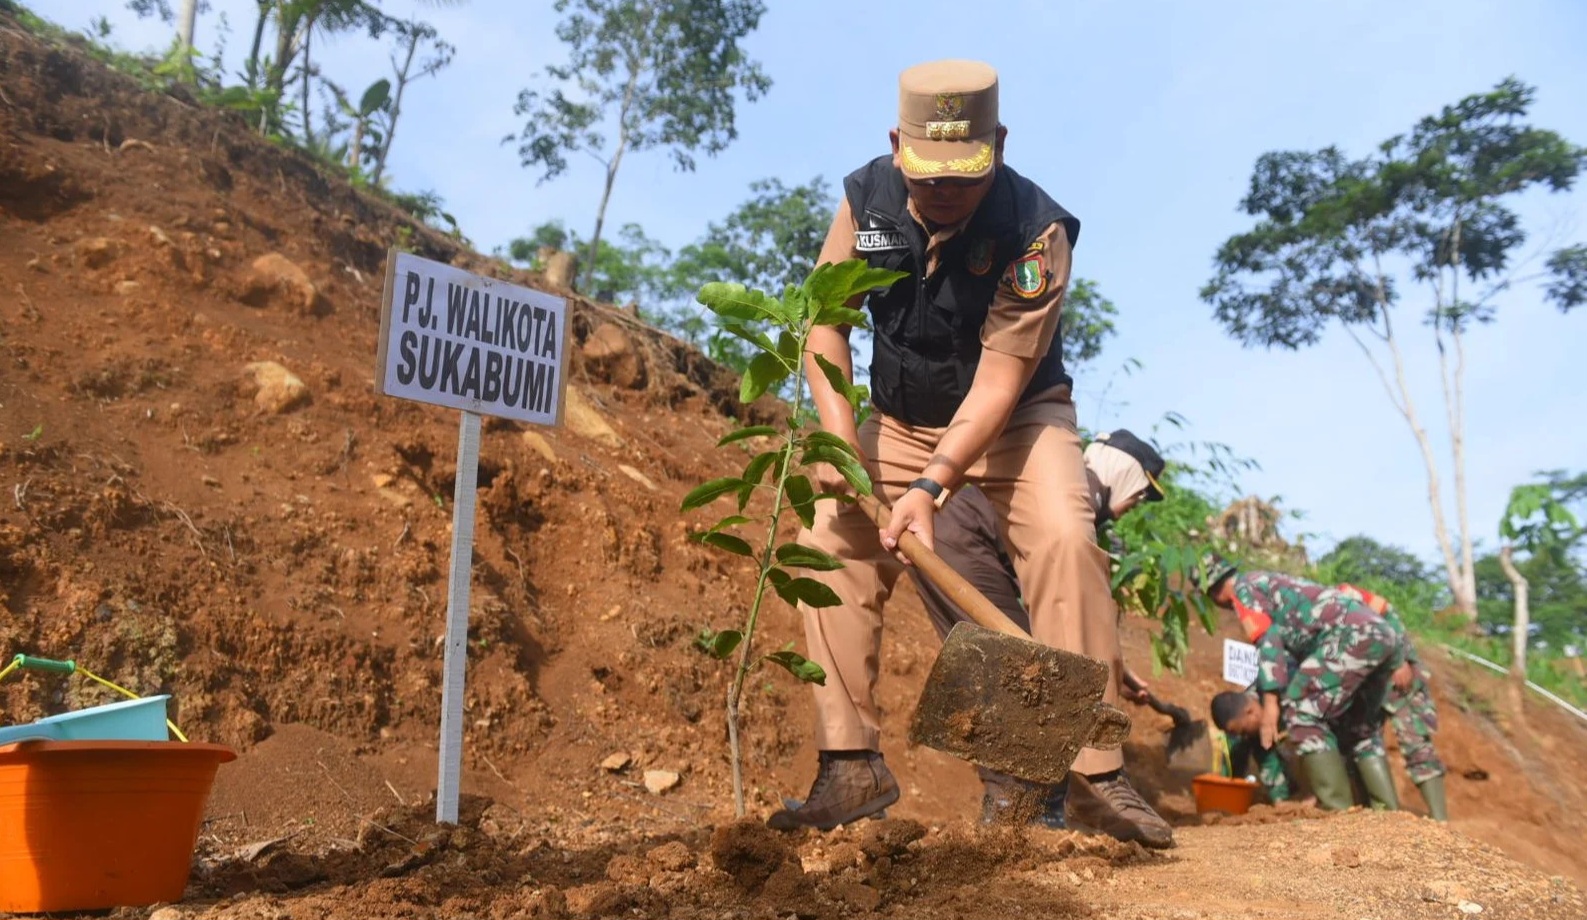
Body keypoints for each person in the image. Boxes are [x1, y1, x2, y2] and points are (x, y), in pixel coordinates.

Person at [767, 59, 1157, 844]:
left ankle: (1096, 774)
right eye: (927, 173)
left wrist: (931, 486)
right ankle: (850, 765)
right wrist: (840, 438)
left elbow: (1000, 381)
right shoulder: (866, 202)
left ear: (999, 146)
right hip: (899, 418)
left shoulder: (1035, 230)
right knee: (827, 541)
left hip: (1018, 422)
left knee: (1064, 540)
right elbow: (824, 324)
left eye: (964, 173)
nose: (943, 189)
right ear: (896, 145)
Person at [907, 429, 1173, 844]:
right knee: (1021, 673)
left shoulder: (1072, 483)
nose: (1130, 509)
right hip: (958, 543)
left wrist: (1113, 669)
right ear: (1124, 476)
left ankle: (1023, 807)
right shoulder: (1081, 491)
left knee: (1008, 670)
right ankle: (1029, 807)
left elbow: (1054, 610)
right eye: (1137, 496)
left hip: (942, 538)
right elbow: (1064, 602)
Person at [1200, 559, 1407, 812]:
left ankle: (1337, 813)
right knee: (1359, 728)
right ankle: (1388, 816)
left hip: (1349, 637)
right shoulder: (1268, 584)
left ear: (1214, 592)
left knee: (1301, 711)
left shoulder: (1244, 590)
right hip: (1378, 634)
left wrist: (1271, 704)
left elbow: (1267, 641)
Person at [1335, 584, 1449, 821]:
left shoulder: (1358, 601)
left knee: (1416, 743)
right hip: (1365, 685)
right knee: (1358, 741)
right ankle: (1376, 815)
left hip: (1399, 683)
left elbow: (1387, 620)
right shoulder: (1331, 609)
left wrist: (1400, 660)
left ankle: (1441, 821)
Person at [1210, 690, 1300, 804]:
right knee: (1237, 748)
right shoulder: (1251, 731)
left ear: (1250, 711)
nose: (1243, 736)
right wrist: (1280, 800)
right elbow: (1268, 763)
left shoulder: (1284, 694)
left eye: (1243, 731)